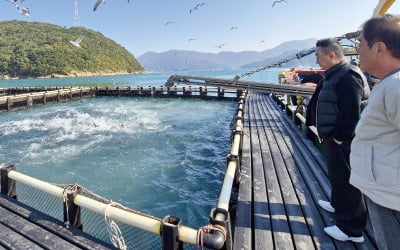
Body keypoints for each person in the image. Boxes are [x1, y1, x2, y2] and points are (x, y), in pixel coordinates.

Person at [350, 14, 400, 250]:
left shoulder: (396, 86)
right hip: (385, 189)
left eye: (361, 44)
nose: (358, 52)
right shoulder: (389, 83)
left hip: (392, 197)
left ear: (379, 48)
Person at [314, 38, 370, 242]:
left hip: (344, 139)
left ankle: (351, 230)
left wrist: (339, 136)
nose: (316, 60)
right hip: (335, 137)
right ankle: (338, 205)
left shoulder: (348, 75)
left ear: (332, 55)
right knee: (338, 176)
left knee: (349, 181)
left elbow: (351, 112)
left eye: (318, 56)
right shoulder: (336, 74)